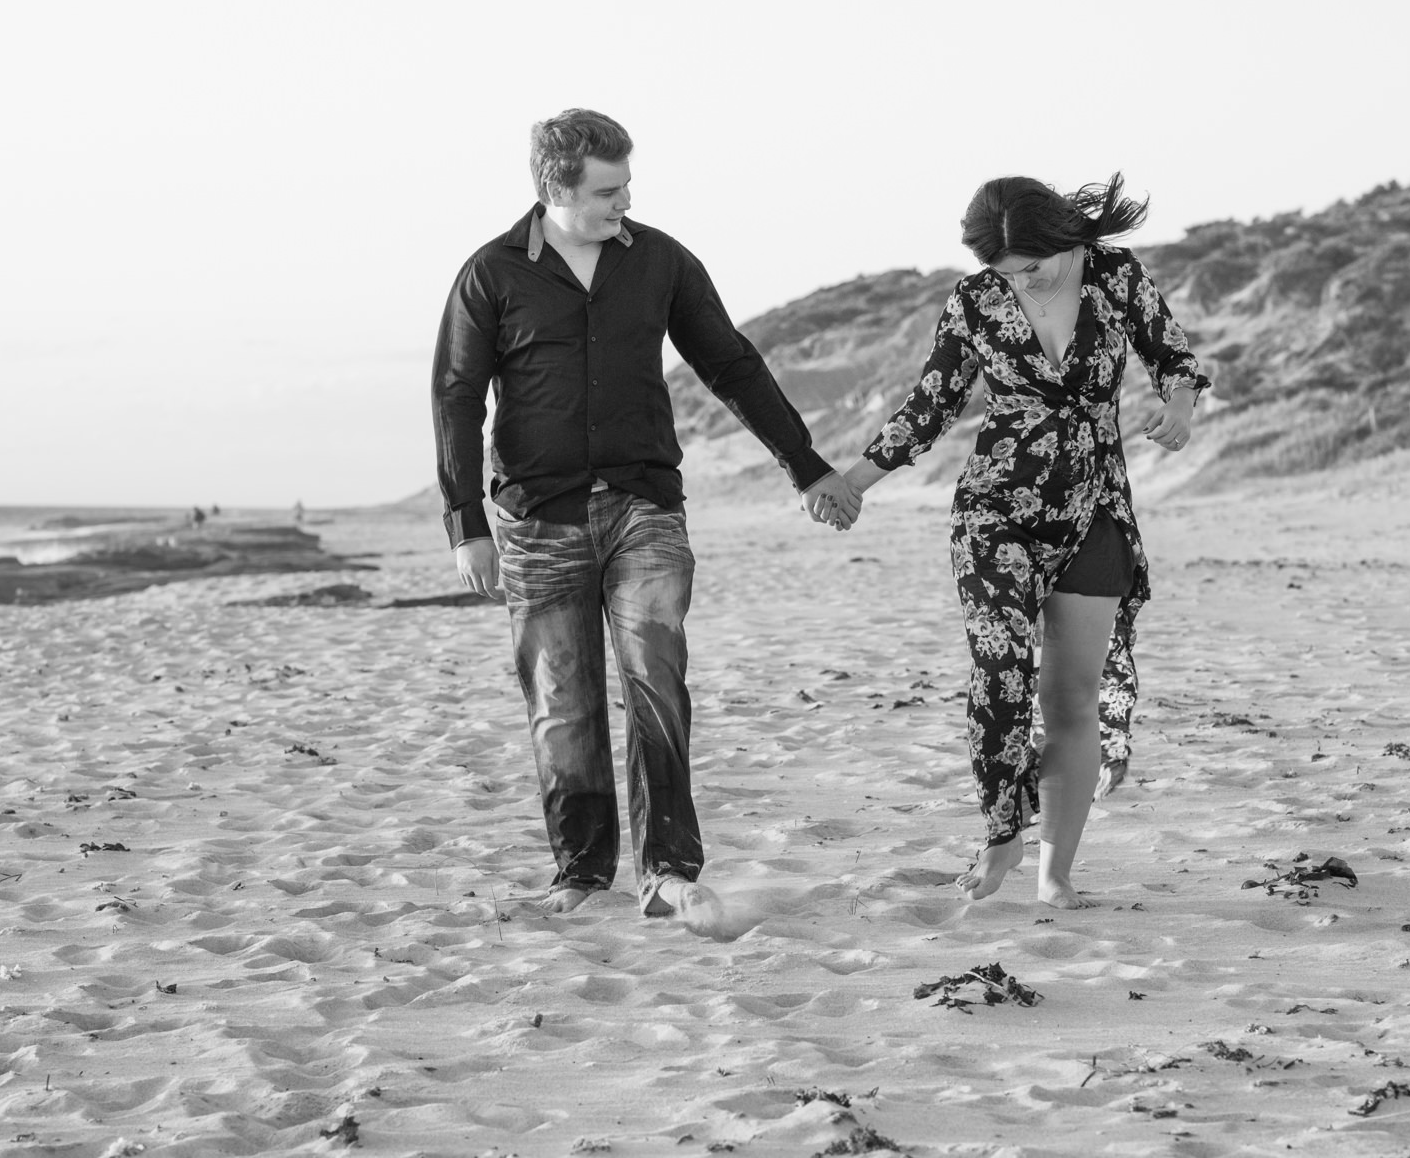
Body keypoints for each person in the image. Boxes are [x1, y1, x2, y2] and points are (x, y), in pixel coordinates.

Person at [432, 108, 861, 918]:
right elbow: (455, 396)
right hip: (537, 516)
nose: (624, 200)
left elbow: (729, 362)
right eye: (607, 189)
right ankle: (583, 873)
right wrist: (466, 524)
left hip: (644, 507)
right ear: (555, 186)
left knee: (657, 681)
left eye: (627, 184)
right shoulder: (491, 274)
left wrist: (806, 466)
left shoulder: (659, 260)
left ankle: (666, 869)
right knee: (562, 702)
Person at [838, 173, 1207, 906]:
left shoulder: (1116, 276)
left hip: (1094, 506)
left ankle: (1054, 873)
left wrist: (1179, 406)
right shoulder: (973, 301)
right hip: (995, 508)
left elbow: (1175, 359)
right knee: (1001, 669)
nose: (1020, 279)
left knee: (1068, 699)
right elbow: (930, 404)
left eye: (1032, 264)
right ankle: (1004, 825)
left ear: (1063, 235)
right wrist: (851, 481)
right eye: (1005, 270)